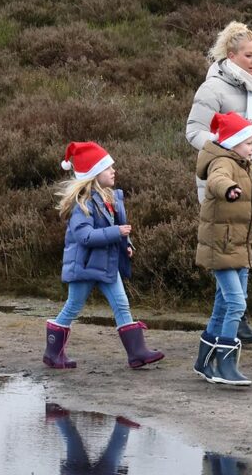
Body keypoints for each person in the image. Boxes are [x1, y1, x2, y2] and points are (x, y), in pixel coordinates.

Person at [186, 20, 252, 345]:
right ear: (231, 54)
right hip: (223, 181)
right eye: (249, 55)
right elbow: (193, 132)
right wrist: (227, 150)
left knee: (244, 247)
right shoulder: (213, 88)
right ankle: (233, 319)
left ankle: (230, 322)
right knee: (229, 249)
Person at [42, 142, 164, 370]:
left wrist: (126, 244)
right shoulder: (83, 204)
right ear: (94, 174)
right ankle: (53, 353)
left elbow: (116, 228)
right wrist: (116, 233)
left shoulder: (112, 199)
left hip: (107, 266)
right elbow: (85, 237)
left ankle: (137, 353)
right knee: (73, 305)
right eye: (108, 168)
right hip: (85, 267)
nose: (113, 171)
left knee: (121, 304)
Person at [192, 112, 252, 387]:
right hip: (221, 248)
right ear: (233, 142)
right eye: (249, 143)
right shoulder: (222, 163)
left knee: (223, 306)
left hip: (240, 249)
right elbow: (216, 180)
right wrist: (229, 189)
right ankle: (225, 365)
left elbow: (251, 217)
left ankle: (203, 362)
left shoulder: (243, 166)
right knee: (236, 304)